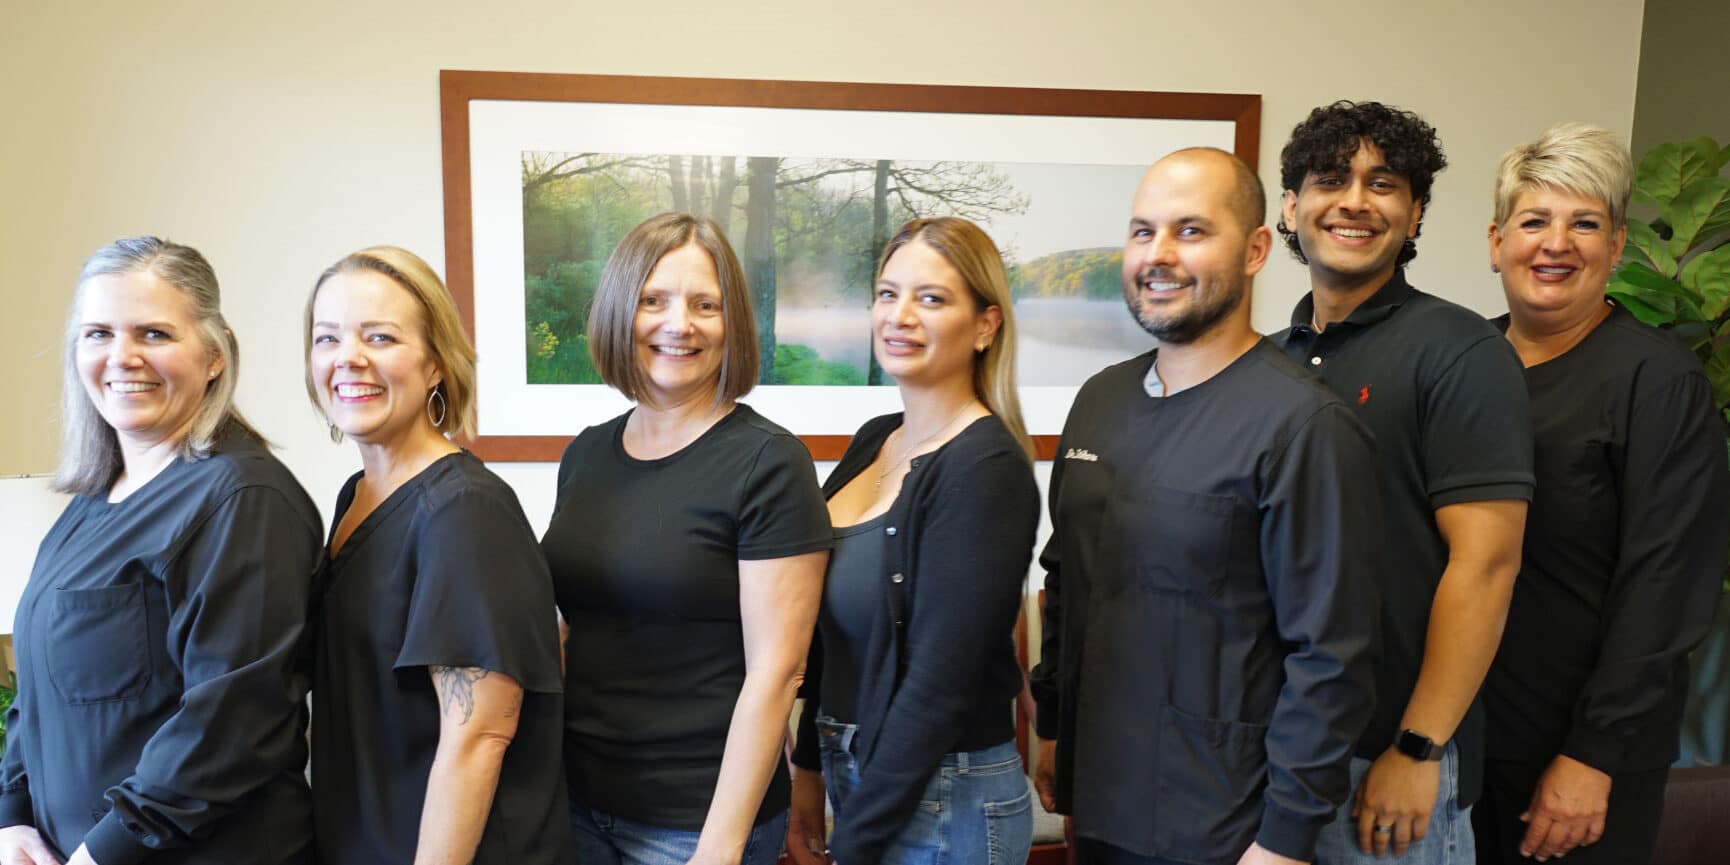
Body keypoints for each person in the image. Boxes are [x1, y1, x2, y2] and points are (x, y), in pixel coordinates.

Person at [1030, 148, 1382, 865]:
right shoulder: (1101, 400)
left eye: (1191, 231)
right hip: (1098, 798)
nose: (1158, 254)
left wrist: (1284, 838)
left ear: (1255, 250)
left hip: (1226, 826)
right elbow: (1067, 578)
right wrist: (1054, 732)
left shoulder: (1302, 425)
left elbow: (1333, 655)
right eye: (1141, 231)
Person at [1271, 100, 1535, 863]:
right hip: (1278, 753)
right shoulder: (1267, 360)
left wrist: (1418, 748)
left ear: (1414, 213)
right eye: (1329, 179)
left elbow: (1486, 564)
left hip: (1387, 761)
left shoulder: (1458, 351)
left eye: (1382, 183)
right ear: (1291, 208)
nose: (1354, 200)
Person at [0, 237, 320, 865]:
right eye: (98, 333)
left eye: (153, 333)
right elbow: (38, 698)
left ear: (214, 354)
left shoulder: (242, 499)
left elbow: (231, 725)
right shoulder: (92, 503)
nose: (122, 357)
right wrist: (11, 818)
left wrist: (103, 852)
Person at [1474, 123, 1730, 865]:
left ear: (1616, 247)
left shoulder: (1659, 383)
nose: (1557, 243)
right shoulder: (1463, 365)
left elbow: (1666, 587)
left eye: (1584, 223)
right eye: (1534, 221)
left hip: (1582, 760)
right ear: (1497, 241)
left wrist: (1592, 756)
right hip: (1460, 746)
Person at [542, 212, 829, 865]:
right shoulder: (585, 454)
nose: (680, 324)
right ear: (621, 312)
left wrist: (719, 846)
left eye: (707, 304)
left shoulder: (769, 462)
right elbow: (574, 623)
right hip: (576, 801)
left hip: (693, 826)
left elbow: (778, 671)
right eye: (654, 301)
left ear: (733, 324)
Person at [785, 217, 1040, 865]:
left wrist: (859, 840)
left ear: (986, 324)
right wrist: (810, 775)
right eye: (887, 292)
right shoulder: (876, 437)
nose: (899, 315)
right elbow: (834, 638)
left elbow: (938, 683)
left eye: (931, 297)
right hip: (864, 775)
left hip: (947, 798)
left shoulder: (987, 467)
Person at [304, 246, 572, 865]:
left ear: (434, 365)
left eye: (380, 337)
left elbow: (479, 735)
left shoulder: (464, 511)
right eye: (327, 338)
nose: (349, 358)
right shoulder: (359, 496)